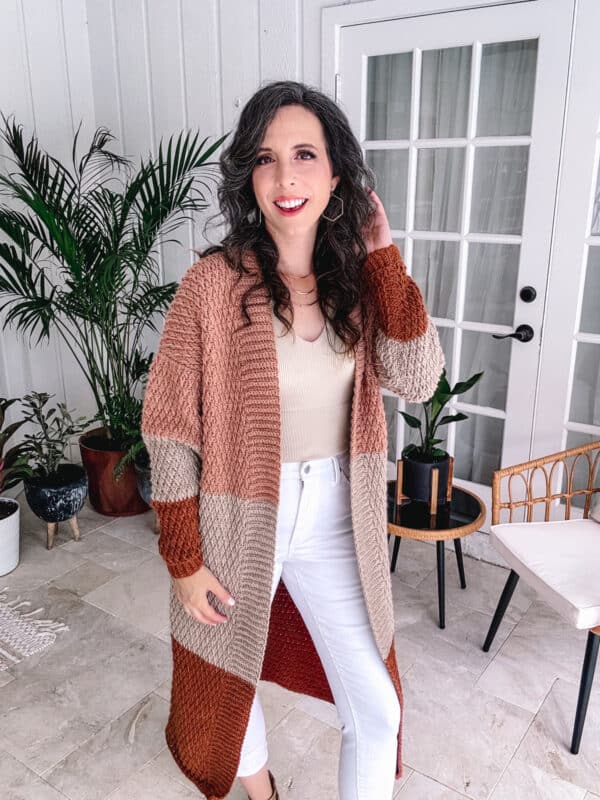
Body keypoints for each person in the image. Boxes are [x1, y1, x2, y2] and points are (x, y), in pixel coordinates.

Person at [141, 79, 445, 800]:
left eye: (305, 154)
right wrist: (183, 557)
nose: (286, 177)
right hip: (240, 513)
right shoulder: (210, 286)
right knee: (227, 678)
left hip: (338, 513)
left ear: (335, 172)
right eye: (267, 158)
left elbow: (419, 376)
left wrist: (384, 258)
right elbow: (167, 424)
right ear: (248, 175)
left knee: (377, 708)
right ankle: (261, 791)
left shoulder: (361, 283)